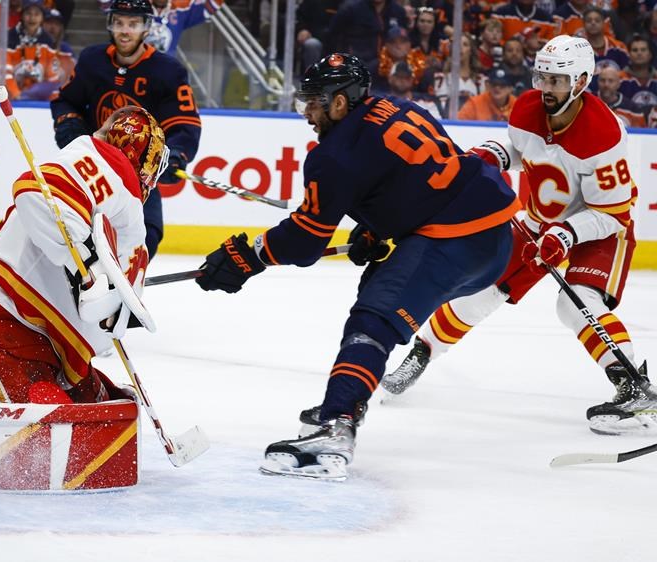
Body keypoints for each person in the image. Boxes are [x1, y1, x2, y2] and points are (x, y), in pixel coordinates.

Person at [194, 53, 518, 480]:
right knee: (377, 295)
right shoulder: (397, 107)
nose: (307, 113)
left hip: (454, 239)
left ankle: (336, 423)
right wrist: (378, 226)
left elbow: (306, 239)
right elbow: (415, 176)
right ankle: (345, 403)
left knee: (373, 321)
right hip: (495, 235)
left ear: (341, 102)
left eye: (314, 103)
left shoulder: (334, 155)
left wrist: (246, 256)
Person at [382, 35, 654, 436]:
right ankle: (422, 353)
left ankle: (631, 385)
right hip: (540, 221)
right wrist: (492, 154)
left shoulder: (604, 135)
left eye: (556, 81)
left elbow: (611, 212)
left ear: (580, 82)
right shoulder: (528, 106)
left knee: (576, 303)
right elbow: (518, 145)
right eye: (542, 77)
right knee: (481, 286)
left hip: (599, 228)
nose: (545, 88)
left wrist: (566, 233)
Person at [0, 106, 168, 404]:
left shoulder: (129, 212)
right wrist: (87, 264)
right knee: (48, 431)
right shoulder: (107, 163)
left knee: (109, 409)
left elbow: (110, 318)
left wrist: (108, 299)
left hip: (43, 342)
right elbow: (37, 195)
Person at [50, 0, 201, 259]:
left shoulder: (168, 71)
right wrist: (69, 121)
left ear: (146, 27)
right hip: (92, 165)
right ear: (110, 23)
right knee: (69, 227)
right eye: (119, 22)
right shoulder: (92, 60)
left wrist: (175, 153)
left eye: (133, 24)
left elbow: (185, 123)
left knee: (147, 236)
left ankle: (124, 283)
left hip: (136, 174)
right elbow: (66, 100)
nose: (125, 30)